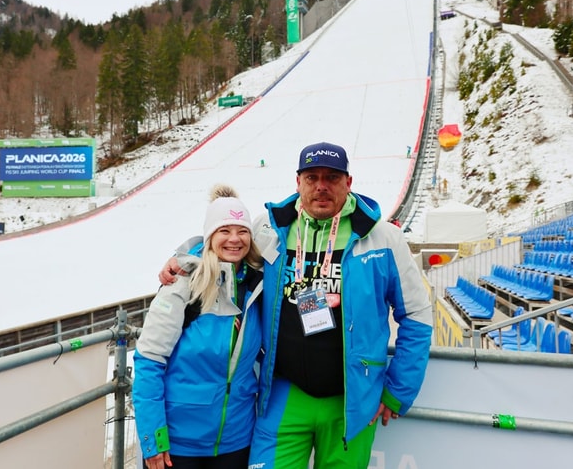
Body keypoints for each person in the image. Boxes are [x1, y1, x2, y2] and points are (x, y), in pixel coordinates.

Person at [159, 142, 433, 468]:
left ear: (348, 182)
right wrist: (183, 256)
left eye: (332, 177)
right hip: (284, 395)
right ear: (298, 181)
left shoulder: (383, 238)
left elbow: (416, 315)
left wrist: (399, 390)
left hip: (352, 399)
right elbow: (222, 244)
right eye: (312, 177)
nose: (321, 186)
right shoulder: (270, 230)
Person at [133, 184, 264, 469]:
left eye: (242, 231)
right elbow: (149, 361)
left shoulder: (256, 286)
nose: (234, 239)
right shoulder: (183, 284)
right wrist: (153, 440)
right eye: (224, 231)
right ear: (209, 237)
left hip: (236, 441)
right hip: (179, 445)